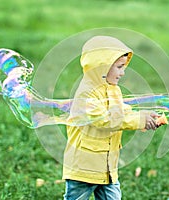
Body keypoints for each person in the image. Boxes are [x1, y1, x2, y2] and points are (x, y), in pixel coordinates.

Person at [63, 36, 162, 200]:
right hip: (83, 168)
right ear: (102, 67)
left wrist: (142, 116)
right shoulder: (86, 92)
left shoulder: (113, 89)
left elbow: (119, 111)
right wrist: (138, 120)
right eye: (119, 67)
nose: (123, 72)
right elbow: (104, 120)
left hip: (108, 168)